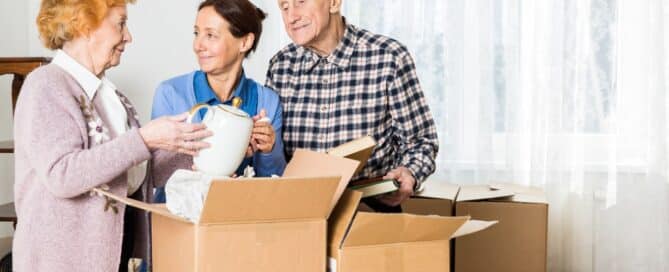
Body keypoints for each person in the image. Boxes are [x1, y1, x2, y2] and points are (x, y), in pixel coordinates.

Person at [12, 1, 212, 271]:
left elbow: (133, 173)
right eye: (120, 23)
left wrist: (207, 147)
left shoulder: (113, 97)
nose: (128, 36)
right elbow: (62, 174)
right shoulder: (46, 85)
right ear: (85, 25)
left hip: (113, 256)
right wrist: (144, 139)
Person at [266, 0, 439, 212]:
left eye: (301, 2)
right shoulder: (280, 66)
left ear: (334, 3)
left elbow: (421, 141)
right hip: (300, 214)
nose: (291, 16)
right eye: (284, 7)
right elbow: (271, 151)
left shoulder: (388, 57)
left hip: (370, 211)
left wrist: (409, 172)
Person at [151, 0, 286, 202]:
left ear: (245, 42)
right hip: (176, 223)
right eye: (196, 33)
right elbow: (155, 174)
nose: (198, 46)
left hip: (237, 220)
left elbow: (274, 185)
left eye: (210, 35)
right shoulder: (171, 93)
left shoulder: (267, 101)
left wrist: (268, 149)